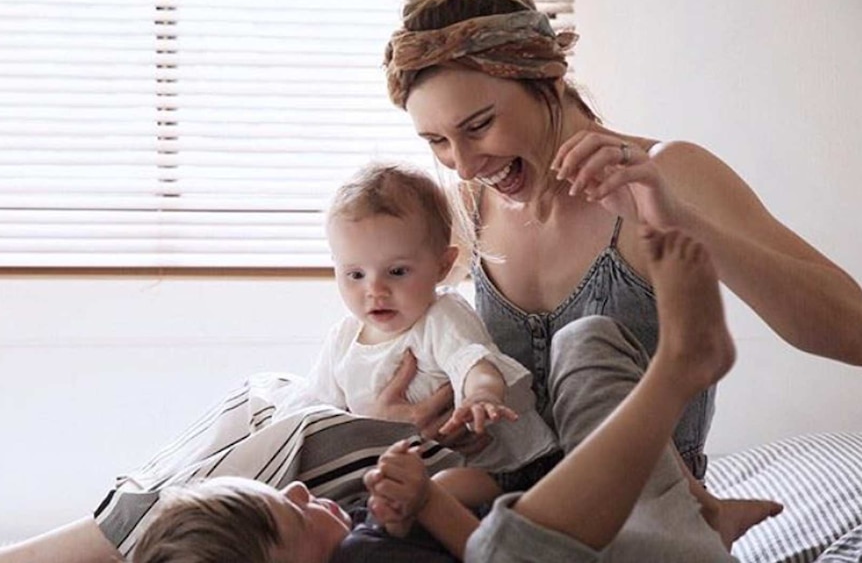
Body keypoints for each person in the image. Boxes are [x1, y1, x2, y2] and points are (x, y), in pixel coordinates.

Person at [370, 0, 862, 552]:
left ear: (549, 80)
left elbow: (854, 330)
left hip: (648, 525)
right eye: (436, 141)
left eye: (479, 125)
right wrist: (436, 425)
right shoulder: (470, 207)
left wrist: (675, 219)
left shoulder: (664, 174)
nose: (464, 162)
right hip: (518, 511)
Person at [132, 227, 743, 563]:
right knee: (505, 550)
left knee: (584, 342)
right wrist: (427, 499)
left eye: (396, 271)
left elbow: (490, 479)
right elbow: (488, 543)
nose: (296, 488)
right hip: (589, 548)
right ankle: (678, 373)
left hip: (588, 517)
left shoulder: (363, 532)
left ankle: (698, 512)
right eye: (287, 512)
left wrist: (430, 490)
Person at [311, 161, 559, 500]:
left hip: (493, 468)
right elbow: (322, 414)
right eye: (355, 275)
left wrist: (481, 395)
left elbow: (473, 361)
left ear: (442, 267)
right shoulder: (343, 339)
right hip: (401, 471)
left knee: (446, 491)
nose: (375, 290)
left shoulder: (440, 317)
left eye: (397, 271)